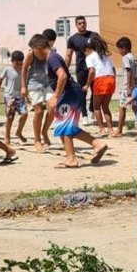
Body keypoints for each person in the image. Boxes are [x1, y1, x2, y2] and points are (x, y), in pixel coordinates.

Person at [30, 34, 108, 168]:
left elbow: (62, 76)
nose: (34, 54)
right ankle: (97, 144)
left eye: (33, 50)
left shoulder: (52, 58)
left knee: (64, 127)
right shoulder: (53, 57)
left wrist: (55, 96)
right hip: (71, 93)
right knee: (67, 127)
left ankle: (72, 159)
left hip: (69, 94)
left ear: (38, 48)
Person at [21, 29, 56, 153]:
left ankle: (44, 131)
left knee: (53, 108)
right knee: (39, 111)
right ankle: (37, 140)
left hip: (47, 83)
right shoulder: (32, 52)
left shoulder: (53, 52)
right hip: (34, 83)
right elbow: (24, 68)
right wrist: (23, 86)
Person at [65, 16, 99, 125]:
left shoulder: (94, 35)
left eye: (83, 23)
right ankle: (84, 115)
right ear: (76, 25)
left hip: (94, 68)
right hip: (81, 68)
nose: (82, 25)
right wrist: (65, 69)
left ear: (86, 23)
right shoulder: (72, 39)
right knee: (82, 92)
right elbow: (68, 55)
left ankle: (91, 111)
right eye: (79, 23)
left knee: (96, 91)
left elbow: (101, 49)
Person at [83, 34, 116, 136]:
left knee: (96, 107)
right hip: (111, 79)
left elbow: (92, 71)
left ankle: (102, 128)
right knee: (105, 106)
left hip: (100, 80)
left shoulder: (90, 57)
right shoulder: (106, 56)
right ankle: (110, 129)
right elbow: (113, 69)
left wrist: (87, 85)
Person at [0, 50, 28, 146]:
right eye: (16, 63)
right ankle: (7, 136)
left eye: (20, 63)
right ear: (12, 61)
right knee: (10, 118)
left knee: (24, 114)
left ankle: (18, 132)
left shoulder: (24, 70)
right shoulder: (8, 69)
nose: (18, 65)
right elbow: (0, 79)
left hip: (20, 96)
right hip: (9, 96)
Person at [113, 37, 137, 137]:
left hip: (127, 87)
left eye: (119, 49)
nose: (119, 51)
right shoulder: (134, 57)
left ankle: (119, 130)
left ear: (123, 48)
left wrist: (128, 87)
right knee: (135, 108)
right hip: (136, 86)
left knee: (122, 108)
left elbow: (128, 71)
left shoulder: (126, 58)